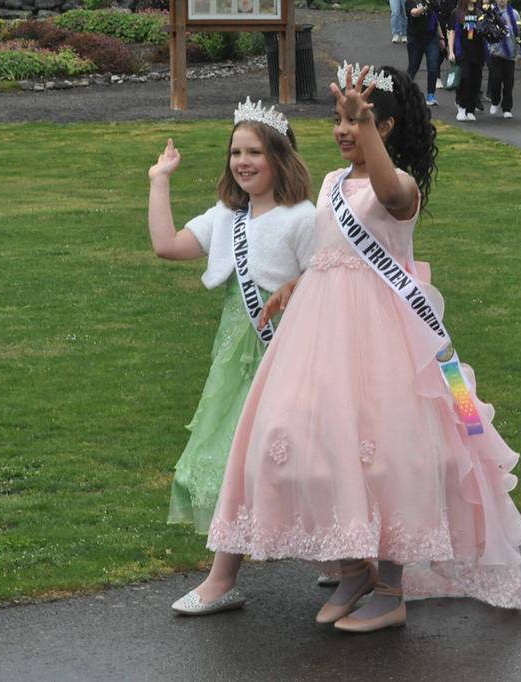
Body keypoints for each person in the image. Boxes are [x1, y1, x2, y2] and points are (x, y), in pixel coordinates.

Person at [206, 63, 521, 633]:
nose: (342, 129)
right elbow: (332, 252)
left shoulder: (399, 184)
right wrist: (295, 285)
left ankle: (390, 586)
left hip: (386, 335)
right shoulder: (331, 183)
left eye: (356, 121)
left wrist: (370, 137)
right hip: (320, 330)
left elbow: (391, 197)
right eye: (338, 119)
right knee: (297, 435)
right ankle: (354, 566)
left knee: (387, 450)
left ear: (386, 127)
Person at [151, 100, 315, 614]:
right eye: (235, 152)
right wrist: (160, 180)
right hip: (235, 356)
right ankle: (223, 579)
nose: (243, 162)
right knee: (234, 459)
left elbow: (331, 277)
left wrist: (296, 287)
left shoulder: (303, 217)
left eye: (255, 152)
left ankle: (353, 562)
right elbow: (168, 246)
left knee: (310, 456)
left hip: (291, 350)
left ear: (280, 157)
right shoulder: (226, 217)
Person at [448, 0, 488, 121]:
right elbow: (452, 32)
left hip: (478, 52)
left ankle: (470, 109)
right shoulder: (457, 12)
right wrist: (451, 50)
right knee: (465, 79)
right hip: (463, 52)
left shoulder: (481, 13)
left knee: (476, 81)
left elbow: (486, 31)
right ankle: (462, 106)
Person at [488, 0, 521, 118]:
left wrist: (520, 52)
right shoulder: (491, 13)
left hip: (510, 55)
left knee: (509, 83)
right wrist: (490, 48)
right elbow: (486, 32)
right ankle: (495, 101)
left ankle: (507, 108)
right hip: (496, 53)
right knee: (496, 79)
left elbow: (519, 34)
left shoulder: (514, 14)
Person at [406, 0, 444, 105]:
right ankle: (404, 91)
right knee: (413, 67)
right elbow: (414, 13)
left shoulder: (433, 3)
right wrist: (425, 6)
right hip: (415, 39)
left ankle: (431, 95)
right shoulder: (411, 1)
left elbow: (436, 20)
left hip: (431, 38)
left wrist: (441, 38)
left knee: (433, 67)